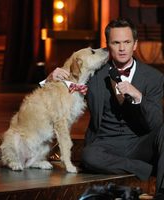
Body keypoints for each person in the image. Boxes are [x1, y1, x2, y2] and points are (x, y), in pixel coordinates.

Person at [46, 18, 164, 199]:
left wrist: (138, 96)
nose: (122, 48)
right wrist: (50, 78)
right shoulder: (93, 74)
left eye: (127, 42)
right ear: (108, 45)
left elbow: (156, 122)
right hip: (105, 143)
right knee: (88, 156)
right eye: (116, 43)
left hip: (139, 142)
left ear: (135, 45)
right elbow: (62, 89)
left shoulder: (153, 77)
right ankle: (148, 168)